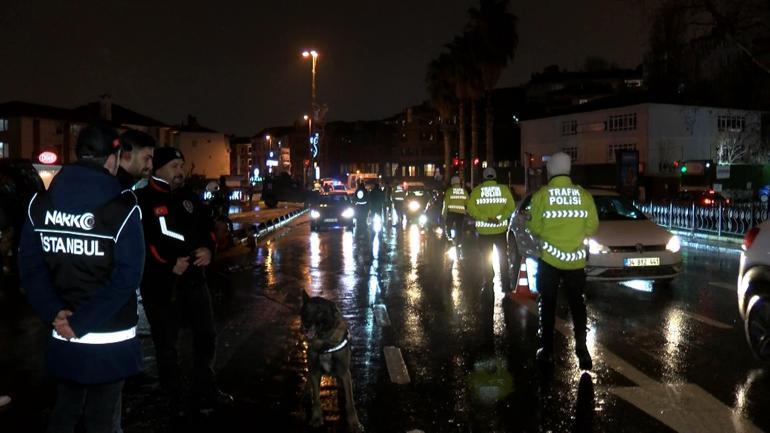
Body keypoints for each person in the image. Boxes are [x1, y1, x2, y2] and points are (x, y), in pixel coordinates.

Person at [19, 124, 144, 433]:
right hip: (108, 335)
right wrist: (83, 321)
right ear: (113, 159)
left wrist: (54, 313)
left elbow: (31, 268)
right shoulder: (123, 207)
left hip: (63, 329)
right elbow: (128, 276)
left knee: (65, 410)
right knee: (103, 419)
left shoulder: (41, 204)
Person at [135, 147, 232, 418]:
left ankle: (206, 388)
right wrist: (167, 265)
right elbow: (143, 242)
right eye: (174, 166)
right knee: (167, 345)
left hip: (194, 282)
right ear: (158, 168)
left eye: (181, 165)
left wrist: (208, 250)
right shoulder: (142, 199)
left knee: (206, 337)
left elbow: (208, 229)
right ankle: (173, 398)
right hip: (160, 287)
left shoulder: (191, 198)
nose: (180, 171)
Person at [527, 152, 598, 370]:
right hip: (575, 262)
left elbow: (534, 228)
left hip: (549, 261)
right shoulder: (583, 195)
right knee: (578, 304)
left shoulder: (542, 196)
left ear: (550, 171)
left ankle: (547, 351)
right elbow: (592, 226)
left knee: (547, 304)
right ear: (568, 170)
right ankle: (582, 350)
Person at [466, 167, 515, 293]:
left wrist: (486, 218)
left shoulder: (477, 191)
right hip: (500, 230)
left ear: (483, 177)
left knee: (485, 258)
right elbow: (511, 207)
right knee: (503, 257)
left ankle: (488, 282)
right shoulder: (504, 190)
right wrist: (499, 218)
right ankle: (506, 285)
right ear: (495, 177)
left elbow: (471, 209)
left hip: (484, 232)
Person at [442, 176, 468, 245]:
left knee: (448, 226)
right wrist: (466, 211)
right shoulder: (464, 192)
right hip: (460, 214)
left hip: (451, 213)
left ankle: (449, 238)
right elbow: (468, 203)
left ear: (452, 183)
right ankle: (459, 242)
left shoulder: (449, 191)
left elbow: (445, 204)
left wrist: (444, 214)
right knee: (459, 228)